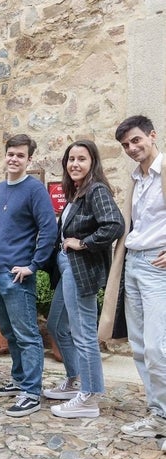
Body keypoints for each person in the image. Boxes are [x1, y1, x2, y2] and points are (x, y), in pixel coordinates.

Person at [44, 140, 124, 418]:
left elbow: (114, 224)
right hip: (68, 268)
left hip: (81, 270)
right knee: (56, 325)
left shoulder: (96, 190)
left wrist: (84, 243)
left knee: (83, 334)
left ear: (93, 163)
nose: (75, 164)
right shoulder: (76, 192)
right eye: (71, 159)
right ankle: (75, 380)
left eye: (82, 159)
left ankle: (89, 396)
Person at [0, 134, 56, 417]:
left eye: (20, 155)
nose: (14, 159)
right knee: (9, 333)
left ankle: (31, 392)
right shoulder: (0, 188)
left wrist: (34, 264)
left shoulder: (34, 189)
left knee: (27, 335)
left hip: (17, 277)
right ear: (5, 155)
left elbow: (49, 229)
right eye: (10, 154)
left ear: (29, 159)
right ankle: (19, 380)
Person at [109, 115, 166, 438]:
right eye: (126, 145)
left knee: (159, 347)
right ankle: (159, 413)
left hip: (159, 266)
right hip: (134, 263)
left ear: (152, 136)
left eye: (136, 140)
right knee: (141, 347)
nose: (131, 148)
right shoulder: (136, 178)